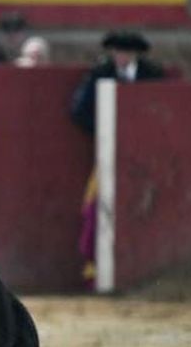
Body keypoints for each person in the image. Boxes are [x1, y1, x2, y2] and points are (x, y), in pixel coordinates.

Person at [70, 30, 164, 287]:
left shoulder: (152, 75)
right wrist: (104, 131)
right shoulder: (99, 75)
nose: (120, 57)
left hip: (149, 157)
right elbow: (78, 111)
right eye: (117, 52)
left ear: (135, 54)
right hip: (107, 155)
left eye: (126, 52)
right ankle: (98, 270)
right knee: (97, 209)